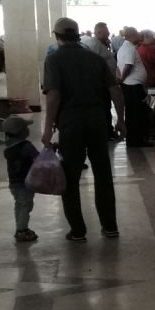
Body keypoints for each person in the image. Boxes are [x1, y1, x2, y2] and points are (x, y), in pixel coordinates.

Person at [41, 17, 125, 242]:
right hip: (98, 121)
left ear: (57, 36)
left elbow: (54, 95)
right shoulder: (95, 58)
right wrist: (121, 120)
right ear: (77, 35)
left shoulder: (53, 59)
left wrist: (48, 128)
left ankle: (77, 230)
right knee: (103, 174)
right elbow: (114, 90)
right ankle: (110, 226)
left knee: (71, 176)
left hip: (71, 124)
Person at [2, 115, 39, 244]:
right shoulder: (26, 146)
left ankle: (20, 227)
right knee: (26, 205)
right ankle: (22, 230)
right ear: (21, 132)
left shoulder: (8, 149)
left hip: (14, 184)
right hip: (25, 183)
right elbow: (38, 158)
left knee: (19, 204)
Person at [116, 27, 153, 147]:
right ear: (132, 35)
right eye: (137, 33)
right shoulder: (130, 48)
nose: (140, 35)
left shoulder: (123, 48)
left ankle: (133, 139)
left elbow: (119, 67)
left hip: (130, 85)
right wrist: (122, 78)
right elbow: (128, 65)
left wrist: (122, 79)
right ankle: (137, 140)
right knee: (137, 114)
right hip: (133, 86)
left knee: (132, 113)